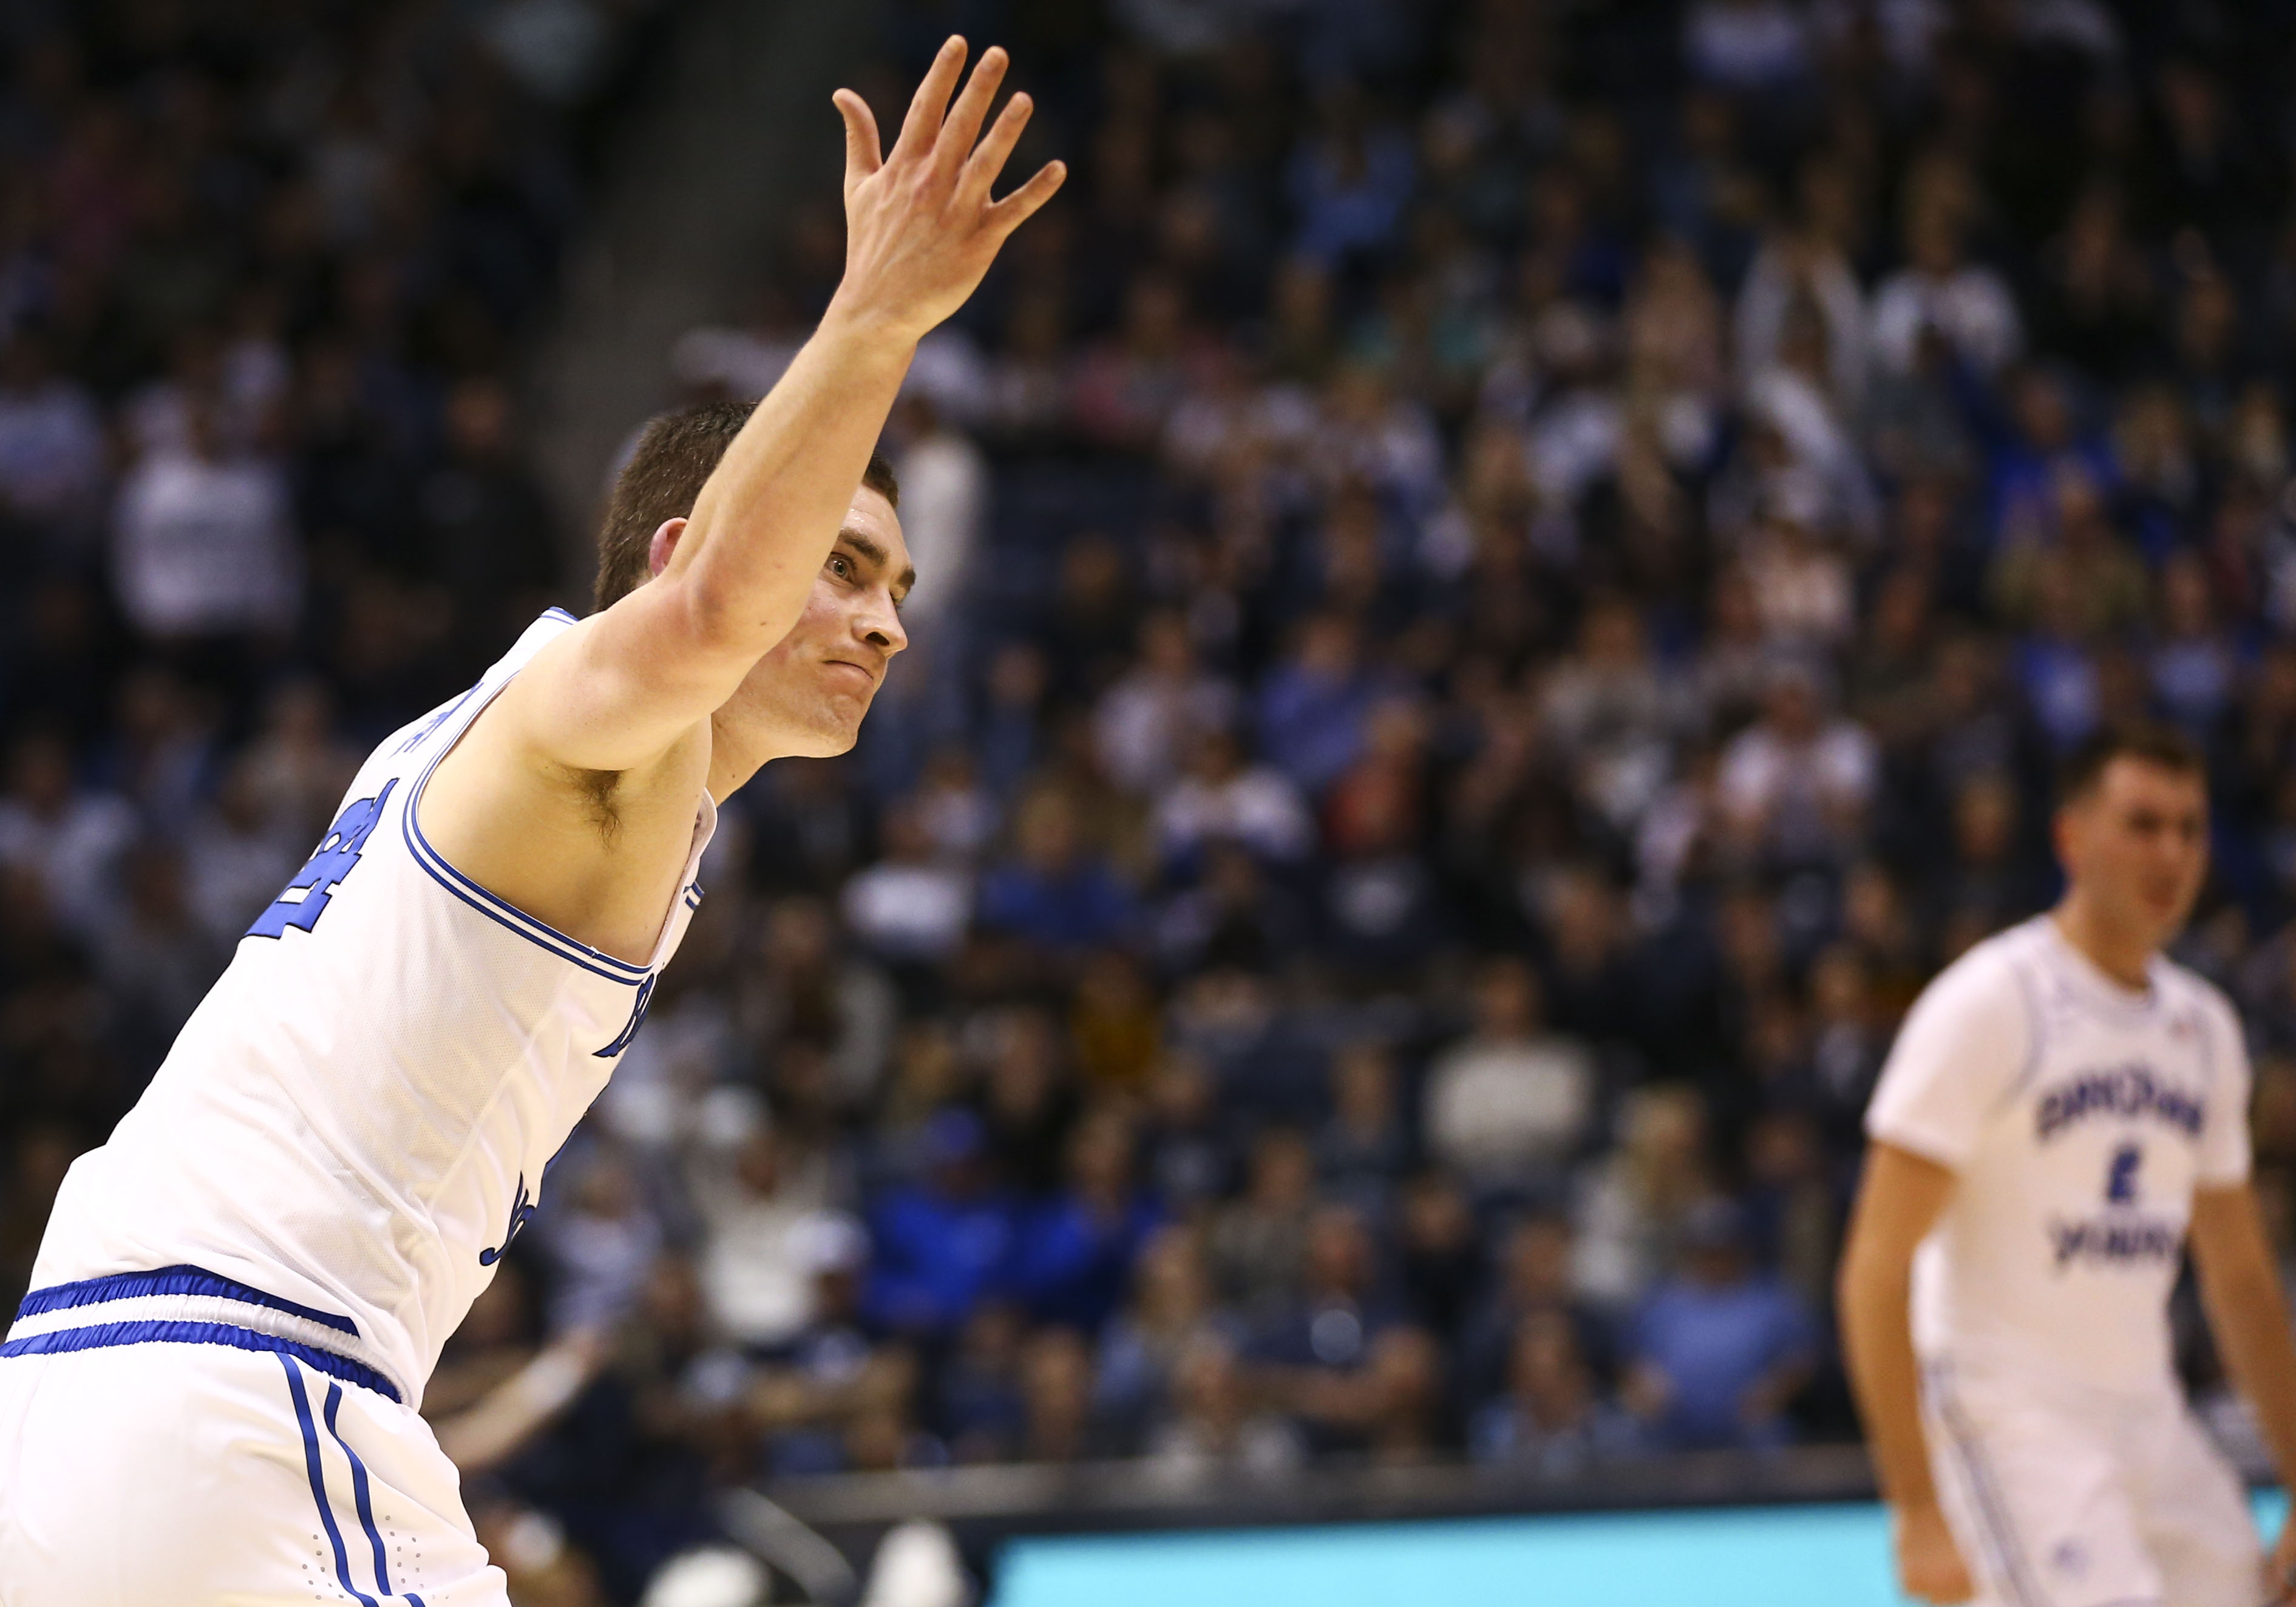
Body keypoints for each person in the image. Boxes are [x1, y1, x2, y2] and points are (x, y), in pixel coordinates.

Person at [0, 39, 1064, 1607]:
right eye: (841, 564)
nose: (886, 625)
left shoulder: (515, 758)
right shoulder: (587, 708)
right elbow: (705, 611)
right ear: (697, 543)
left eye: (896, 588)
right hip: (244, 1387)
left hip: (98, 1400)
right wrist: (881, 311)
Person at [1839, 723, 2296, 1607]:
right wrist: (1914, 1509)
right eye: (2141, 824)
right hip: (2005, 1410)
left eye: (2188, 828)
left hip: (2144, 1409)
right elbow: (1874, 1267)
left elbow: (2238, 1277)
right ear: (2071, 838)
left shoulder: (2203, 1030)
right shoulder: (1990, 1004)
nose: (2169, 852)